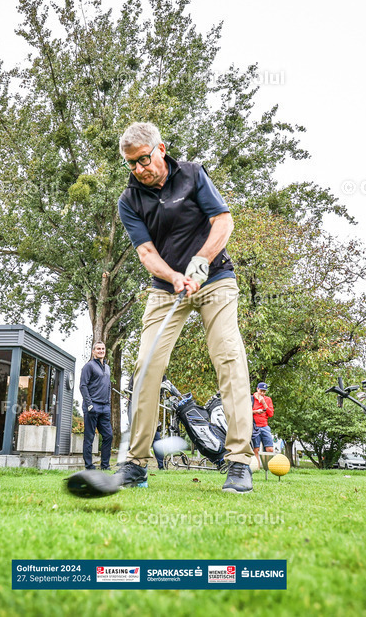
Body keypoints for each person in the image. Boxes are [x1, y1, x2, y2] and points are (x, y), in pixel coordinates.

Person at [112, 122, 254, 493]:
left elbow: (223, 220)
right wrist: (175, 277)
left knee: (228, 355)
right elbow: (146, 252)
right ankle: (136, 464)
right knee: (146, 365)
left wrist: (202, 260)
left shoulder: (192, 174)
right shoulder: (129, 200)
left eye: (144, 159)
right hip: (166, 288)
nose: (140, 168)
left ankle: (239, 461)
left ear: (161, 149)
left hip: (215, 279)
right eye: (132, 164)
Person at [78, 341, 112, 471]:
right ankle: (89, 466)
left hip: (105, 407)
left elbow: (108, 386)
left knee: (108, 436)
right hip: (92, 407)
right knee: (90, 437)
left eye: (103, 349)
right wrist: (89, 404)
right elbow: (83, 386)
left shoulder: (107, 368)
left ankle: (105, 465)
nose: (101, 351)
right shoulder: (89, 366)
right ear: (93, 351)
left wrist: (108, 403)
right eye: (98, 349)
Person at [251, 382, 275, 463]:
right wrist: (256, 411)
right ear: (257, 389)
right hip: (255, 427)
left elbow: (271, 414)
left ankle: (268, 467)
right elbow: (245, 412)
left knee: (270, 449)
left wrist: (264, 403)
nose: (262, 393)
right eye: (261, 391)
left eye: (264, 391)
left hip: (264, 426)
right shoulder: (251, 399)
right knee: (256, 449)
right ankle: (257, 467)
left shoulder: (268, 399)